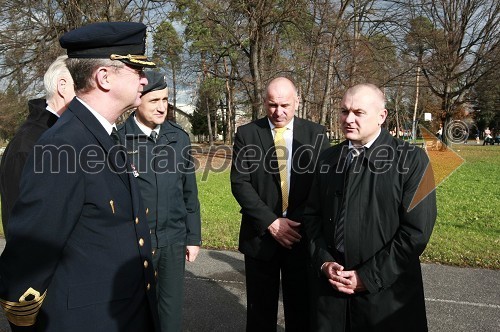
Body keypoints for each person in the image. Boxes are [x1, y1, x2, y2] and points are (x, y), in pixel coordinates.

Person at [0, 22, 160, 331]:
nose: (144, 79)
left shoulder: (99, 135)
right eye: (136, 69)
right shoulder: (63, 146)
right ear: (103, 77)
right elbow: (29, 255)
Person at [303, 83, 437, 331]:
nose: (348, 119)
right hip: (332, 296)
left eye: (358, 112)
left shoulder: (413, 160)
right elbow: (312, 217)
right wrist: (323, 261)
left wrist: (367, 277)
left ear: (382, 116)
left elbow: (416, 232)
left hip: (385, 298)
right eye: (344, 111)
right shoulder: (327, 159)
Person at [230, 77, 329, 331]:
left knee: (301, 313)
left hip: (301, 236)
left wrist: (297, 225)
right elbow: (240, 183)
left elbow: (322, 187)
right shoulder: (247, 134)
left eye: (285, 104)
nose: (279, 112)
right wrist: (272, 222)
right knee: (260, 314)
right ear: (264, 102)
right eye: (272, 105)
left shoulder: (316, 134)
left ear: (297, 101)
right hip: (261, 237)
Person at [118, 71, 201, 332]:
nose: (162, 107)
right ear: (137, 100)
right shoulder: (119, 140)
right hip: (137, 243)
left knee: (171, 311)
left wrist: (193, 237)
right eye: (154, 100)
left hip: (174, 240)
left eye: (165, 100)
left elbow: (189, 193)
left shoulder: (178, 137)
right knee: (135, 312)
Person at [0, 55, 75, 235]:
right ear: (62, 86)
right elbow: (20, 224)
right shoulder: (27, 145)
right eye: (83, 85)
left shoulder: (67, 134)